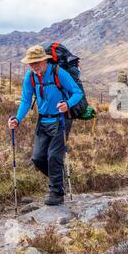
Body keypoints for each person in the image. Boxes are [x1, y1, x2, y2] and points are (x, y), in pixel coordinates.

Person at [8, 45, 83, 205]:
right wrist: (17, 119)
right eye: (31, 63)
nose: (34, 66)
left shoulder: (58, 73)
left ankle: (56, 192)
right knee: (38, 158)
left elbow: (78, 93)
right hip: (43, 120)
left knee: (54, 157)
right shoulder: (30, 77)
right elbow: (26, 100)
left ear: (44, 60)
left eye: (36, 63)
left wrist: (67, 104)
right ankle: (58, 180)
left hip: (62, 119)